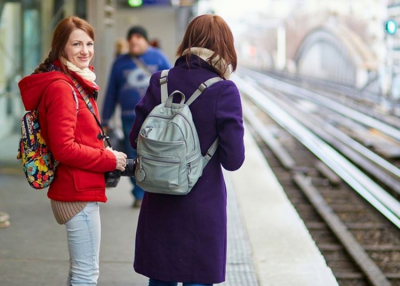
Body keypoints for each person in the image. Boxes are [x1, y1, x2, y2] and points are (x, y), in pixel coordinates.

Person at [129, 14, 245, 286]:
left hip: (160, 203)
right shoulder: (225, 91)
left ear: (188, 42)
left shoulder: (160, 81)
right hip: (201, 210)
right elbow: (233, 160)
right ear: (225, 47)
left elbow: (136, 138)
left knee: (160, 279)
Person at [18, 16, 127, 285]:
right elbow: (64, 149)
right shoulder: (62, 88)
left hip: (78, 186)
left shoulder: (75, 82)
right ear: (61, 48)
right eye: (76, 44)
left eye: (89, 43)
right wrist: (109, 159)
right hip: (76, 190)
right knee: (85, 275)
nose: (85, 50)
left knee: (80, 272)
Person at [101, 25, 171, 208]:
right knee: (133, 156)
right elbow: (111, 93)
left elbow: (172, 85)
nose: (134, 40)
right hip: (128, 119)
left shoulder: (159, 58)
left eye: (139, 37)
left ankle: (151, 192)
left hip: (154, 119)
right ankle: (139, 194)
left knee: (154, 153)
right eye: (131, 37)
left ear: (146, 40)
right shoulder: (119, 63)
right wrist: (105, 121)